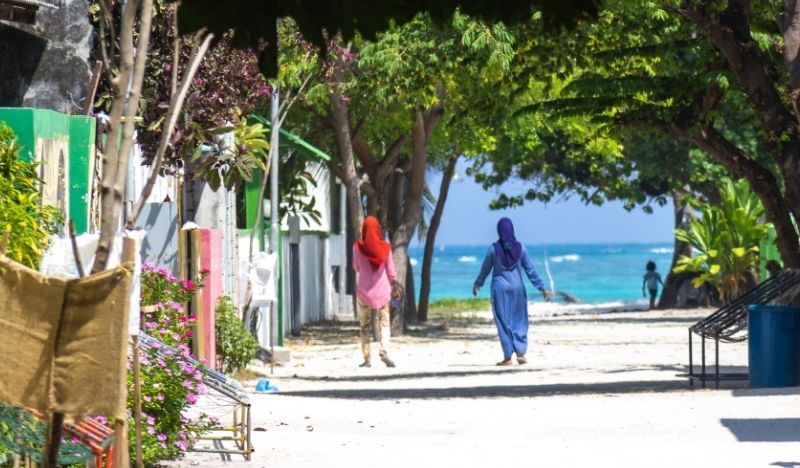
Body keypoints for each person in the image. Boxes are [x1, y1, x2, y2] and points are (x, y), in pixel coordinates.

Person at [472, 217, 550, 366]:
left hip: (500, 290)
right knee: (519, 320)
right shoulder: (521, 248)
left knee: (503, 322)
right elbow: (530, 270)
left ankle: (508, 357)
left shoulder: (494, 248)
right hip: (518, 290)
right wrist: (542, 287)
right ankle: (520, 353)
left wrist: (478, 283)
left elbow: (485, 270)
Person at [353, 216, 398, 368]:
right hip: (383, 292)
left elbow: (356, 267)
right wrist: (394, 285)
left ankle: (367, 359)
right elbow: (391, 272)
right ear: (378, 230)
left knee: (364, 326)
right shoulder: (386, 248)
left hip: (364, 293)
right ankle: (383, 351)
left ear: (364, 230)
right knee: (384, 324)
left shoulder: (357, 247)